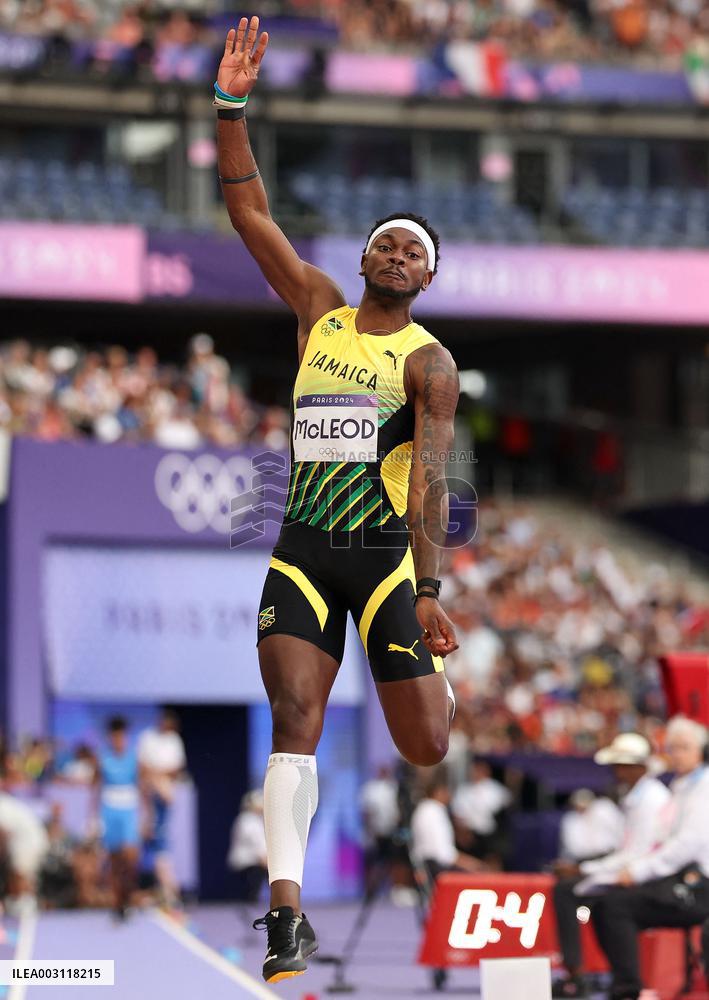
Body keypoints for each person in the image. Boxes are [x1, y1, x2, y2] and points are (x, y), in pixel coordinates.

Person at [215, 16, 460, 985]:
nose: (397, 252)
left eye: (414, 249)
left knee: (427, 746)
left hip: (388, 562)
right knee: (294, 717)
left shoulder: (429, 362)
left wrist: (431, 588)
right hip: (303, 549)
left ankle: (444, 676)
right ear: (363, 259)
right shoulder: (317, 306)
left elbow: (435, 480)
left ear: (428, 275)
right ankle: (285, 914)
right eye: (386, 242)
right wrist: (231, 105)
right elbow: (246, 210)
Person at [590, 717, 709, 1000]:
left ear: (702, 751)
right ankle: (629, 987)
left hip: (699, 883)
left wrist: (639, 872)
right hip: (675, 876)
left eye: (683, 748)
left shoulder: (702, 789)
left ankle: (630, 990)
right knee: (608, 903)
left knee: (616, 906)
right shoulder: (680, 787)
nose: (676, 754)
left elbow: (685, 845)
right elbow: (659, 845)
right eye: (672, 748)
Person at [552, 732, 672, 998]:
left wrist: (585, 870)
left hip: (646, 875)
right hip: (633, 869)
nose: (616, 771)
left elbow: (638, 854)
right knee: (577, 893)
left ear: (638, 767)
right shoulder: (637, 796)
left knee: (571, 892)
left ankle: (584, 974)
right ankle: (597, 973)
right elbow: (628, 852)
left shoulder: (651, 799)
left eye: (622, 765)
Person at [95, 716, 144, 920]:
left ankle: (128, 896)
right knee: (114, 862)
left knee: (131, 859)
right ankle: (117, 904)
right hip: (109, 811)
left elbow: (142, 788)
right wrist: (93, 818)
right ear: (110, 737)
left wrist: (147, 817)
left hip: (129, 810)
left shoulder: (134, 758)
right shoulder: (103, 758)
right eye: (115, 737)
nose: (118, 740)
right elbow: (96, 788)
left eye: (121, 736)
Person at [137, 710, 186, 909]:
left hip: (158, 801)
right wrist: (155, 779)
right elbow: (143, 768)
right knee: (155, 850)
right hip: (149, 794)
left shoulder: (174, 741)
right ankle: (166, 892)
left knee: (161, 850)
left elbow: (176, 768)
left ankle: (168, 893)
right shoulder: (147, 738)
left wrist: (159, 777)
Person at [410, 772, 482, 885]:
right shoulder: (434, 811)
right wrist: (472, 864)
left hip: (426, 864)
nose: (449, 795)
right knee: (481, 876)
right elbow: (444, 854)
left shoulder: (423, 809)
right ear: (438, 792)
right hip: (435, 868)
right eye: (447, 791)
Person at [0, 780, 49, 913]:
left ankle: (25, 904)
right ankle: (22, 902)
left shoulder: (3, 804)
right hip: (28, 838)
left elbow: (3, 834)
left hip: (27, 840)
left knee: (19, 872)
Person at [451, 759, 511, 866]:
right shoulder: (463, 790)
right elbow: (457, 814)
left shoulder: (495, 789)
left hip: (491, 836)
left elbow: (504, 809)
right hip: (470, 835)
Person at [558, 789, 624, 865]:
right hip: (582, 860)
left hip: (609, 856)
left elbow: (619, 830)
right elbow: (573, 848)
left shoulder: (604, 809)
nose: (582, 807)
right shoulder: (570, 820)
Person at [228, 790, 268, 903]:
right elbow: (256, 843)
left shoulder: (256, 820)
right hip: (248, 863)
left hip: (254, 861)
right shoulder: (247, 819)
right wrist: (265, 861)